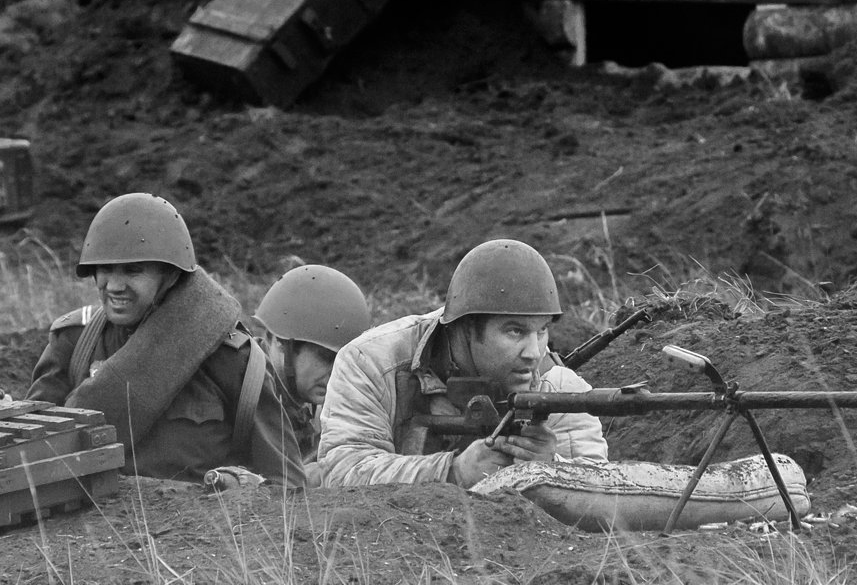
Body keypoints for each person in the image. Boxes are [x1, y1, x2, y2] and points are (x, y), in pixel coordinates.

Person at [26, 192, 306, 488]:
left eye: (133, 271)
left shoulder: (232, 360)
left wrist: (241, 488)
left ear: (170, 276)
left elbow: (288, 488)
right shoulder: (73, 342)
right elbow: (28, 462)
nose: (115, 286)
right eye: (105, 270)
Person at [317, 239, 608, 487]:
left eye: (542, 330)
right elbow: (342, 470)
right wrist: (452, 472)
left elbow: (605, 492)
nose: (534, 352)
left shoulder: (557, 384)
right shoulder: (372, 362)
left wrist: (551, 467)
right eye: (514, 331)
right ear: (465, 328)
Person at [252, 264, 371, 482]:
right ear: (281, 342)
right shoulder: (244, 391)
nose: (338, 374)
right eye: (326, 358)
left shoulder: (293, 401)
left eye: (344, 362)